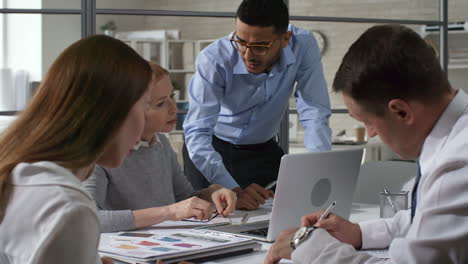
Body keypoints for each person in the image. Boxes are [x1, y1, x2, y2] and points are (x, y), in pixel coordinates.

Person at [265, 24, 468, 264]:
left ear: (401, 111)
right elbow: (425, 220)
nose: (370, 134)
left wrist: (309, 247)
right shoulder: (454, 135)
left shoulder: (456, 168)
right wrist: (359, 233)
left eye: (368, 122)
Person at [0, 35, 153, 264]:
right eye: (145, 105)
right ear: (112, 111)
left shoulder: (20, 176)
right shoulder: (67, 207)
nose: (145, 122)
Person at [183, 0, 332, 210]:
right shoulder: (213, 59)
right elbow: (197, 132)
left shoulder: (304, 44)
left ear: (285, 39)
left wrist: (321, 168)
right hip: (212, 150)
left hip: (263, 150)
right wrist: (232, 190)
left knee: (284, 213)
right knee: (213, 219)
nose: (247, 54)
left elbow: (314, 111)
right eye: (241, 41)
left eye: (260, 46)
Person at [83, 62, 237, 233]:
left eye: (172, 96)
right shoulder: (99, 152)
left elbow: (184, 198)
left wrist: (211, 193)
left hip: (167, 244)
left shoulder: (160, 142)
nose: (174, 108)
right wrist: (168, 212)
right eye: (161, 103)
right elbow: (88, 218)